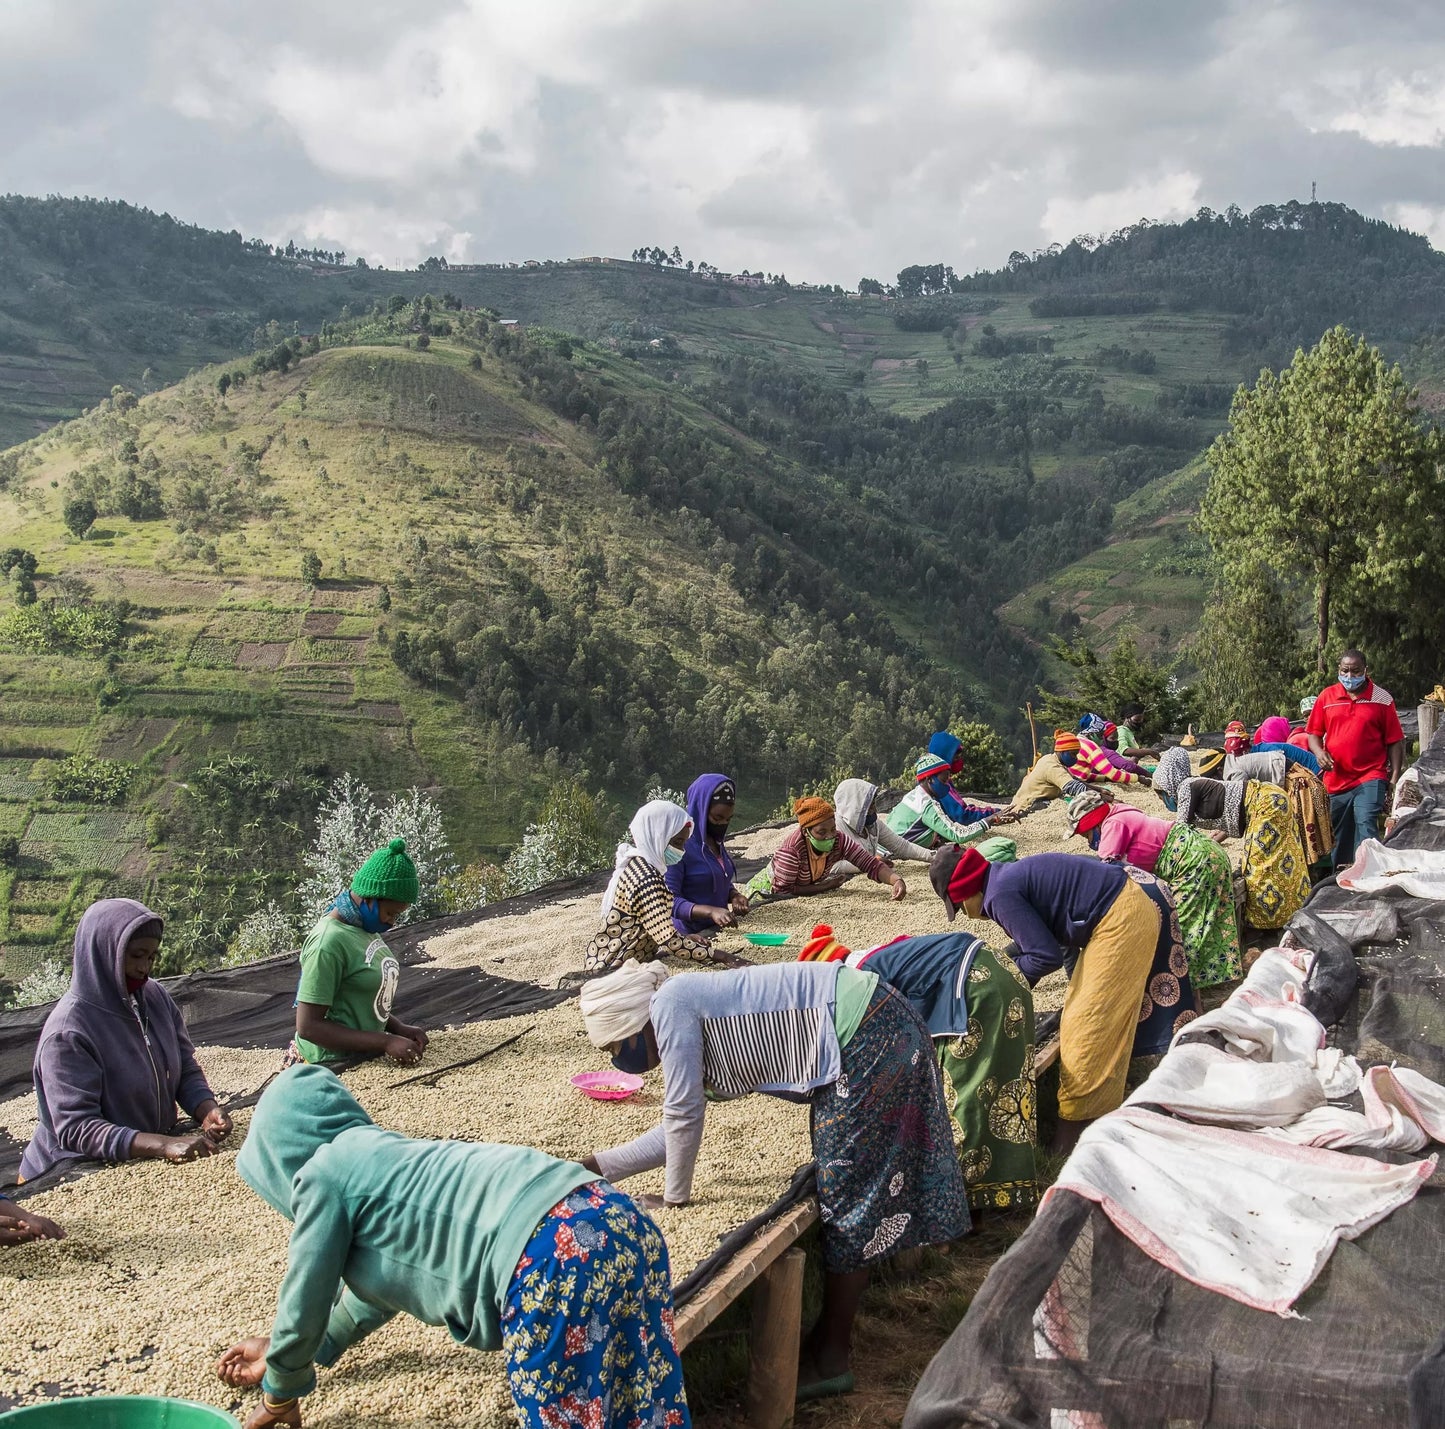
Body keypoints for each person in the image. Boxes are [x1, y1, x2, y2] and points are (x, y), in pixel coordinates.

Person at [579, 957, 969, 1401]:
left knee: (848, 1192)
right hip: (874, 1020)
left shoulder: (670, 1006)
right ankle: (827, 1339)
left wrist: (675, 1201)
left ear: (632, 1027)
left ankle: (831, 1361)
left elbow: (683, 1116)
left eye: (614, 1048)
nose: (618, 1059)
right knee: (851, 1175)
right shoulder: (681, 1014)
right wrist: (596, 1167)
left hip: (868, 1029)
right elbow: (674, 1130)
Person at [216, 1065, 689, 1429]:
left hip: (556, 1255)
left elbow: (307, 1293)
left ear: (283, 1158)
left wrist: (280, 1388)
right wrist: (291, 1351)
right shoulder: (386, 1158)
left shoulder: (323, 1174)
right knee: (640, 1398)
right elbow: (374, 1289)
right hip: (618, 1216)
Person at [930, 846, 1195, 1150]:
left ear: (964, 890)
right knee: (1092, 1013)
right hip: (1127, 906)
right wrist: (997, 966)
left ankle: (1068, 1139)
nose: (964, 913)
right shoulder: (1002, 879)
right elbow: (1036, 943)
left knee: (1085, 1027)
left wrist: (1004, 988)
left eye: (958, 905)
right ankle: (1102, 1114)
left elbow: (1044, 956)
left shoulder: (998, 895)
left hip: (1120, 919)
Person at [812, 927, 1040, 1214]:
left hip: (976, 988)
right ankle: (1005, 1199)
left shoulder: (861, 980)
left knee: (963, 1096)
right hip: (1003, 971)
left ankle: (958, 1211)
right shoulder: (882, 955)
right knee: (1003, 1084)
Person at [19, 898, 233, 1182]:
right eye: (135, 955)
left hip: (141, 1160)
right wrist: (162, 1145)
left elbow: (183, 1066)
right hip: (69, 1174)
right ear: (105, 952)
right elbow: (77, 1128)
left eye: (152, 956)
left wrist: (205, 1109)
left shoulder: (155, 998)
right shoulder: (68, 1033)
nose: (144, 967)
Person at [1065, 789, 1242, 987]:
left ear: (1091, 823)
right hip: (1205, 854)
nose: (1089, 842)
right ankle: (1195, 984)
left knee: (1177, 926)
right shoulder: (1121, 812)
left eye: (1086, 836)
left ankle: (1180, 987)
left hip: (1194, 863)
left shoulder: (1113, 824)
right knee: (1199, 921)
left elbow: (1104, 873)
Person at [290, 838, 430, 1068]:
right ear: (369, 898)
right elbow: (308, 1027)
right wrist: (385, 1041)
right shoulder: (327, 943)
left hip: (361, 1057)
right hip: (326, 1064)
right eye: (390, 913)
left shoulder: (363, 929)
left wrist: (398, 1028)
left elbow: (359, 1002)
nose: (392, 922)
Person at [588, 800, 740, 973]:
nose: (681, 851)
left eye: (683, 843)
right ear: (657, 837)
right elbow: (671, 943)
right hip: (613, 967)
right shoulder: (647, 879)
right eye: (676, 843)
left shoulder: (641, 863)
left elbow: (652, 923)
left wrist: (683, 938)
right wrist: (727, 957)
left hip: (634, 959)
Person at [1306, 649, 1406, 867]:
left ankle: (1370, 873)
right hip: (1336, 778)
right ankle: (1339, 879)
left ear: (1365, 671)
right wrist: (1319, 752)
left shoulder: (1382, 699)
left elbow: (1395, 741)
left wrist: (1394, 777)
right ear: (1338, 670)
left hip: (1370, 775)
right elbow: (1313, 734)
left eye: (1355, 671)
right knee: (1339, 832)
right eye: (1345, 671)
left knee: (1366, 822)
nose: (1349, 676)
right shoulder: (1327, 697)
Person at [1174, 777, 1309, 930]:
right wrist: (1212, 842)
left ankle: (1265, 926)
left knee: (1259, 867)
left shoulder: (1186, 789)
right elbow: (1233, 814)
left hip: (1267, 804)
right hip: (1273, 798)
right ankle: (1294, 912)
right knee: (1284, 859)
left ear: (1167, 786)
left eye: (1160, 794)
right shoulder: (1202, 786)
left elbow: (1180, 833)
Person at [748, 796, 907, 902]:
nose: (829, 836)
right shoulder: (792, 851)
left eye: (832, 829)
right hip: (763, 896)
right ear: (806, 832)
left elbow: (869, 863)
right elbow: (783, 891)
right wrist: (825, 886)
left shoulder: (839, 840)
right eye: (821, 832)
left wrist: (896, 880)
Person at [665, 773, 749, 935]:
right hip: (689, 935)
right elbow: (669, 901)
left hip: (718, 931)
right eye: (717, 818)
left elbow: (716, 877)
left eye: (728, 820)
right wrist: (710, 911)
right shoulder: (679, 846)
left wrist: (733, 895)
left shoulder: (715, 841)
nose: (722, 825)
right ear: (701, 810)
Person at [887, 752, 1010, 851]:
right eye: (944, 781)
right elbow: (959, 835)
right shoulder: (927, 805)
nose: (947, 786)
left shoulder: (911, 796)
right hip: (893, 852)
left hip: (884, 846)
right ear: (929, 779)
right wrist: (990, 819)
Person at [833, 778, 934, 875]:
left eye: (873, 804)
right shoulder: (836, 828)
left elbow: (902, 846)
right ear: (854, 808)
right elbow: (834, 866)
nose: (875, 810)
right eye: (869, 807)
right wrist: (871, 863)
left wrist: (935, 856)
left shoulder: (873, 825)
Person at [1007, 731, 1089, 811]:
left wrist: (1099, 789)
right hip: (1025, 807)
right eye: (1073, 754)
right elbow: (1073, 787)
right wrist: (1096, 795)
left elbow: (1075, 780)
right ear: (1062, 752)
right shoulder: (1052, 766)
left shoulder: (1054, 761)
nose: (1076, 758)